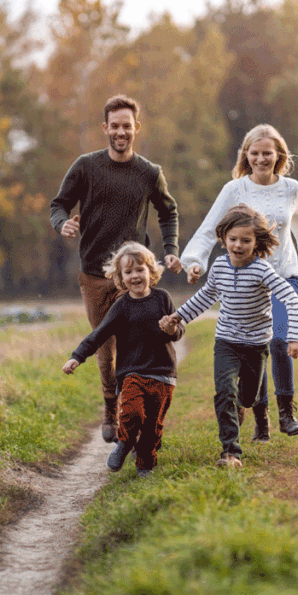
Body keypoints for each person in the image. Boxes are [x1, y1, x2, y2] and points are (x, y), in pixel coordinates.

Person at [179, 124, 298, 439]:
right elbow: (210, 227)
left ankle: (286, 412)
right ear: (246, 155)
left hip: (285, 273)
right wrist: (195, 261)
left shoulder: (292, 188)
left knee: (279, 340)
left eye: (267, 153)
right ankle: (261, 418)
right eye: (255, 153)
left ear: (279, 156)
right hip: (249, 278)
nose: (261, 159)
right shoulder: (234, 189)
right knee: (253, 343)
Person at [51, 95, 183, 443]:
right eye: (115, 126)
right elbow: (59, 204)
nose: (121, 132)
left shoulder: (149, 173)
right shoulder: (85, 167)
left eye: (127, 126)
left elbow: (168, 212)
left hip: (132, 276)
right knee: (105, 345)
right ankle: (111, 406)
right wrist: (62, 222)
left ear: (136, 128)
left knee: (135, 342)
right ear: (105, 128)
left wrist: (170, 250)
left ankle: (132, 406)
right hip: (94, 273)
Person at [161, 204, 298, 469]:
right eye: (233, 239)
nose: (238, 245)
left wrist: (294, 337)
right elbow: (206, 296)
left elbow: (291, 300)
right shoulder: (219, 265)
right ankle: (231, 452)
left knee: (247, 398)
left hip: (256, 344)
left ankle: (252, 409)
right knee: (224, 391)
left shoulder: (262, 270)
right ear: (223, 238)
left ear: (256, 241)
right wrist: (178, 316)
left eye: (246, 240)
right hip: (226, 341)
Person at [63, 242, 183, 478]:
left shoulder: (162, 298)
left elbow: (179, 331)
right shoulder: (122, 306)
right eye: (128, 272)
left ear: (151, 271)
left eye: (140, 269)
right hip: (132, 373)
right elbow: (98, 335)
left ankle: (144, 464)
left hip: (163, 374)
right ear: (120, 278)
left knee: (152, 427)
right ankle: (124, 443)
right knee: (132, 413)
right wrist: (77, 357)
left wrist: (172, 330)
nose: (135, 276)